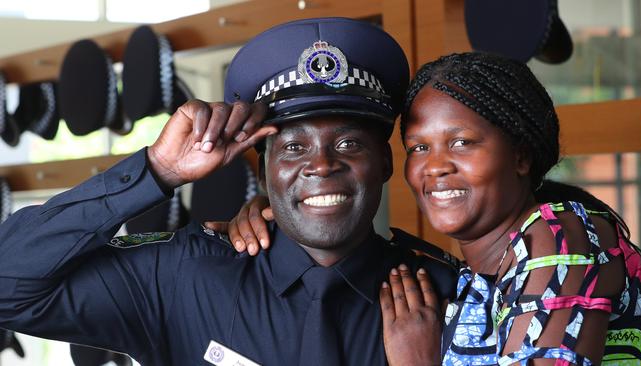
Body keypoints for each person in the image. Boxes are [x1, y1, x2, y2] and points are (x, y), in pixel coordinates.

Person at [0, 18, 458, 366]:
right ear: (266, 167)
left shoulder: (446, 297)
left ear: (384, 163)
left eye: (348, 144)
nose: (321, 164)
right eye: (294, 146)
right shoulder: (181, 276)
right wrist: (157, 171)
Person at [225, 51, 641, 365]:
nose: (436, 167)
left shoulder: (557, 237)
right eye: (419, 148)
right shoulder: (471, 278)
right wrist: (280, 212)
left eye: (462, 142)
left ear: (520, 156)